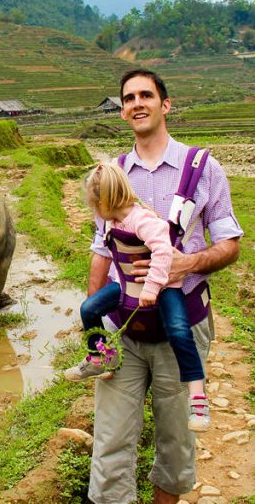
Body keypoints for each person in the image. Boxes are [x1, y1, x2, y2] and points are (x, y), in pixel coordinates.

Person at [87, 69, 243, 504]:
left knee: (176, 442)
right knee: (111, 438)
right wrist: (94, 324)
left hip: (182, 324)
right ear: (122, 112)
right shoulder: (112, 174)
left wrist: (186, 264)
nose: (137, 103)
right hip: (125, 326)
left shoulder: (202, 168)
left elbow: (229, 243)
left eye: (146, 95)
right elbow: (101, 249)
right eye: (128, 98)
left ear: (165, 104)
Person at [64, 162, 211, 433]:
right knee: (89, 309)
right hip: (126, 284)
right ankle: (101, 357)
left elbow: (164, 252)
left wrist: (153, 287)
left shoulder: (143, 220)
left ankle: (198, 396)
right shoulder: (111, 220)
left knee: (179, 331)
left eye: (94, 204)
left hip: (165, 286)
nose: (93, 210)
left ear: (107, 199)